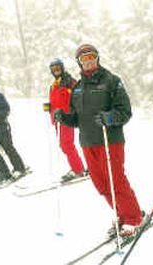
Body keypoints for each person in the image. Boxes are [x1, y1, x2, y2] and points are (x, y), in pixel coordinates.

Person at [54, 44, 143, 236]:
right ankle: (122, 214)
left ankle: (134, 218)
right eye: (84, 59)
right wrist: (64, 117)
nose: (88, 62)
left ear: (97, 58)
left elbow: (125, 112)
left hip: (109, 140)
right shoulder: (77, 88)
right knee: (101, 183)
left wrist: (110, 117)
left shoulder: (111, 81)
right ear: (79, 62)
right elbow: (77, 119)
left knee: (115, 180)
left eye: (91, 57)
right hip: (88, 141)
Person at [43, 58, 86, 182]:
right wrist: (49, 107)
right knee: (64, 145)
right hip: (57, 120)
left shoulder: (70, 82)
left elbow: (78, 98)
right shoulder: (53, 85)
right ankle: (78, 167)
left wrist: (74, 112)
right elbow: (55, 101)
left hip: (67, 118)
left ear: (62, 68)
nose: (56, 71)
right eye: (53, 69)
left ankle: (78, 170)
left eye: (58, 68)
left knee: (67, 144)